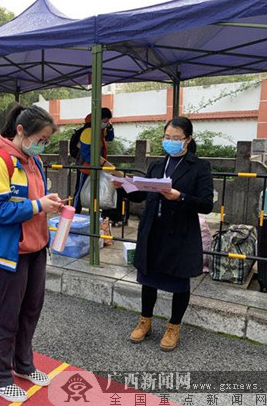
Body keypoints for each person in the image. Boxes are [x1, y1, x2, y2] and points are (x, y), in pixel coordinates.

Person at [0, 105, 62, 403]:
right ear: (20, 131)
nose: (43, 145)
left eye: (46, 141)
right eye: (41, 138)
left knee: (30, 310)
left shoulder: (32, 160)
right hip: (9, 252)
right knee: (6, 316)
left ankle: (23, 364)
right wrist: (39, 205)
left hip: (36, 247)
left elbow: (33, 199)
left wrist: (48, 202)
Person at [119, 116, 214, 351]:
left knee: (179, 282)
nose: (170, 142)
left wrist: (179, 196)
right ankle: (145, 321)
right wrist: (124, 187)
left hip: (180, 233)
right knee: (148, 280)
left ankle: (173, 327)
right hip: (154, 230)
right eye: (166, 137)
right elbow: (142, 194)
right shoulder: (157, 165)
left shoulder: (199, 167)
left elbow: (206, 204)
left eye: (176, 138)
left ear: (188, 139)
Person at [72, 107, 121, 213]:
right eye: (105, 121)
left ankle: (93, 212)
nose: (106, 123)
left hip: (97, 165)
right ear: (98, 119)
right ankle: (75, 212)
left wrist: (110, 127)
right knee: (80, 190)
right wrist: (97, 162)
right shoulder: (88, 131)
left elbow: (109, 138)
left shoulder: (100, 130)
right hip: (85, 166)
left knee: (94, 190)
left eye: (108, 121)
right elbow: (85, 152)